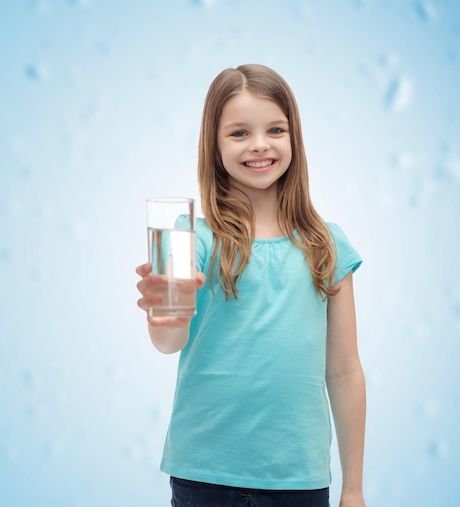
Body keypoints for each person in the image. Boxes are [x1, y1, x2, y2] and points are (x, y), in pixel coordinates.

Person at [136, 64, 366, 507]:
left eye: (274, 130)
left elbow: (344, 370)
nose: (260, 145)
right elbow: (169, 340)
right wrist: (162, 313)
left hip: (298, 479)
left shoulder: (328, 244)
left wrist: (353, 488)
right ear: (214, 146)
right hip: (203, 475)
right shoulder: (187, 237)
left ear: (293, 138)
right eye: (239, 133)